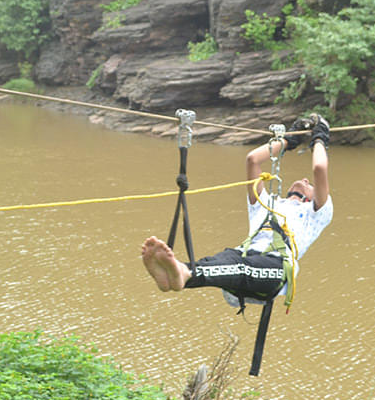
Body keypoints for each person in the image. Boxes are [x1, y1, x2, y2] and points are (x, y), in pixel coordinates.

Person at [141, 115, 333, 309]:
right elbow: (253, 160)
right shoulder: (267, 203)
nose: (305, 180)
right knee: (224, 259)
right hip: (243, 257)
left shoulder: (314, 214)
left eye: (310, 184)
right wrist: (288, 141)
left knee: (240, 267)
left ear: (313, 197)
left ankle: (184, 274)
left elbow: (319, 168)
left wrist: (319, 139)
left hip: (276, 270)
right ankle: (176, 275)